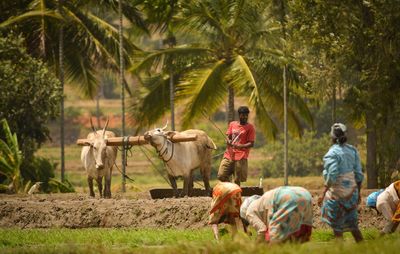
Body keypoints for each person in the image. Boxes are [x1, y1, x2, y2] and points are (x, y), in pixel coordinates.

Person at [318, 123, 364, 242]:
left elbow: (332, 174)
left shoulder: (332, 153)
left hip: (338, 195)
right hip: (352, 193)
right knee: (354, 227)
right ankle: (366, 249)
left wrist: (323, 192)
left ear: (332, 137)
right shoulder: (353, 150)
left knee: (337, 229)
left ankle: (340, 248)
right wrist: (358, 193)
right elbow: (359, 175)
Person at [240, 186, 313, 244]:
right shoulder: (261, 203)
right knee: (296, 240)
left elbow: (262, 230)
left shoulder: (248, 212)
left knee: (274, 243)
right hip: (304, 194)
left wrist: (254, 248)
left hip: (284, 198)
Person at [217, 106, 255, 186]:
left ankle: (234, 193)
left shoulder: (250, 128)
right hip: (229, 155)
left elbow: (251, 143)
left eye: (246, 115)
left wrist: (240, 146)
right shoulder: (232, 124)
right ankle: (230, 188)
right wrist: (228, 141)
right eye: (242, 115)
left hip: (241, 156)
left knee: (237, 179)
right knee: (221, 175)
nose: (244, 117)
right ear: (239, 115)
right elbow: (228, 137)